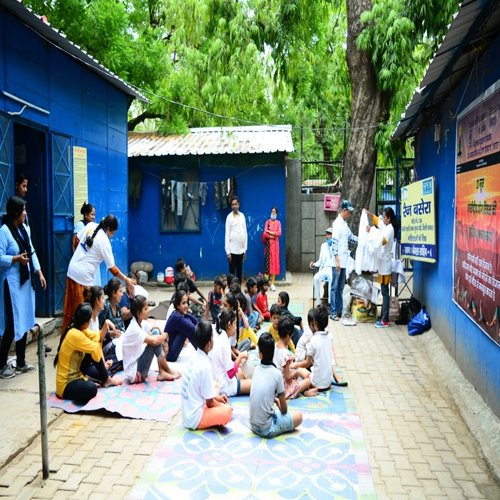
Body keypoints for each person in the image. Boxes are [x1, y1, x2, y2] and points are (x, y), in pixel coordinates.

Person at [62, 215, 134, 335]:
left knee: (70, 312)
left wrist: (83, 254)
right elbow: (113, 269)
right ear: (108, 229)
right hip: (83, 279)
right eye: (113, 233)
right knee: (84, 315)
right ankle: (83, 342)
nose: (112, 236)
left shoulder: (90, 226)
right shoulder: (104, 242)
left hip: (72, 271)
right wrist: (125, 279)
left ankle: (64, 341)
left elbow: (76, 240)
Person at [0, 197, 46, 379]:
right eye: (24, 210)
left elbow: (31, 251)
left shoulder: (24, 229)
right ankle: (1, 365)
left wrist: (39, 272)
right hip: (12, 284)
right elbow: (0, 257)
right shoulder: (4, 231)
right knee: (13, 324)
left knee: (25, 320)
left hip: (25, 282)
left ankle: (20, 362)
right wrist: (16, 259)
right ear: (16, 213)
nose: (26, 213)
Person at [54, 303, 121, 404]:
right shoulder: (75, 334)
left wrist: (105, 324)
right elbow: (95, 348)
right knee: (92, 388)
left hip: (77, 376)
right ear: (84, 322)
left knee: (92, 349)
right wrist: (102, 360)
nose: (90, 322)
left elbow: (97, 336)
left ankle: (105, 379)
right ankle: (106, 379)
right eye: (89, 320)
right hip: (65, 385)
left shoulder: (80, 329)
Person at [15, 173, 51, 356]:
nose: (26, 189)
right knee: (19, 315)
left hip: (28, 268)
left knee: (28, 311)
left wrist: (39, 271)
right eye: (23, 186)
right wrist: (17, 259)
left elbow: (30, 245)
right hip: (17, 275)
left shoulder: (24, 217)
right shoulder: (8, 229)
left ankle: (35, 344)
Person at [249, 332, 302, 438]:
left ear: (260, 354)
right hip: (266, 428)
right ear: (273, 353)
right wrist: (279, 404)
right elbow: (284, 410)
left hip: (253, 424)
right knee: (299, 416)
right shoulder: (277, 374)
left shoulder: (257, 369)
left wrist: (274, 400)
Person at [182, 321, 232, 430]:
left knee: (215, 384)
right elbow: (209, 403)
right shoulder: (205, 366)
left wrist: (217, 398)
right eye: (212, 337)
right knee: (227, 411)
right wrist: (222, 405)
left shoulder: (195, 356)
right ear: (209, 343)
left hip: (188, 412)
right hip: (195, 418)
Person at [122, 295, 180, 383]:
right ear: (139, 313)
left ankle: (162, 371)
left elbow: (156, 327)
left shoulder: (139, 322)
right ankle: (167, 370)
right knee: (154, 341)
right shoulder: (134, 328)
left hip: (139, 365)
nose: (148, 311)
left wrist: (164, 338)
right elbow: (154, 341)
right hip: (136, 374)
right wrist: (165, 336)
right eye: (145, 309)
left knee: (156, 333)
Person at [363, 207, 397, 328]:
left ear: (389, 218)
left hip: (386, 264)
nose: (382, 219)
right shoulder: (385, 226)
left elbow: (381, 241)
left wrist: (371, 231)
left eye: (384, 217)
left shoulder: (390, 229)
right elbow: (377, 220)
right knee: (384, 291)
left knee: (385, 292)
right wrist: (368, 213)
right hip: (382, 263)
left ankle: (385, 320)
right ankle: (384, 316)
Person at [210, 309, 252, 397]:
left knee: (245, 372)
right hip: (224, 386)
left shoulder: (218, 334)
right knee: (254, 384)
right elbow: (230, 374)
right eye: (234, 324)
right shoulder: (224, 342)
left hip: (217, 379)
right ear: (229, 325)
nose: (236, 327)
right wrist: (240, 357)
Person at [274, 316, 317, 399]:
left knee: (294, 375)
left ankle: (303, 391)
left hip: (274, 385)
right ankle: (304, 392)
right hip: (283, 389)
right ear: (288, 336)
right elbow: (287, 378)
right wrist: (295, 374)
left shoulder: (273, 346)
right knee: (307, 381)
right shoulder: (286, 354)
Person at [330, 200, 358, 321]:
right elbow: (335, 243)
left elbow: (351, 238)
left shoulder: (345, 225)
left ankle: (339, 311)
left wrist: (363, 239)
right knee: (334, 287)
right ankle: (332, 312)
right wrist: (337, 260)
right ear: (344, 210)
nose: (349, 214)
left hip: (344, 262)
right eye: (348, 212)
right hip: (337, 262)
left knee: (340, 287)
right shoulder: (337, 224)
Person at [164, 289, 199, 362]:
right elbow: (194, 330)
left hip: (171, 350)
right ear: (177, 305)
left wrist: (187, 314)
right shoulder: (177, 317)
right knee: (187, 328)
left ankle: (200, 350)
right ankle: (201, 350)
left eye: (186, 303)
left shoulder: (179, 313)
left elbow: (196, 321)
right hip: (169, 355)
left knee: (188, 321)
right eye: (183, 303)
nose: (186, 305)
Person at [310, 227, 334, 308]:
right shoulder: (323, 246)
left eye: (329, 234)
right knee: (316, 278)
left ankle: (330, 303)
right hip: (324, 269)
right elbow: (320, 261)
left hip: (332, 269)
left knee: (331, 278)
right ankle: (318, 304)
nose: (327, 236)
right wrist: (314, 264)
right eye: (327, 234)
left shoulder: (336, 246)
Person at [225, 196, 247, 282]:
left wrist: (244, 249)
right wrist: (228, 252)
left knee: (239, 273)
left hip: (240, 250)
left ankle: (238, 289)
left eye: (235, 204)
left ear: (238, 205)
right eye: (232, 204)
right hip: (232, 250)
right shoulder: (229, 217)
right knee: (231, 274)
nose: (234, 206)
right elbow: (227, 234)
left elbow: (245, 233)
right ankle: (231, 289)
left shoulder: (242, 216)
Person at [262, 206, 282, 291]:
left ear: (276, 214)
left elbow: (279, 233)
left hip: (275, 247)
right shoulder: (267, 222)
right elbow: (265, 233)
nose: (273, 213)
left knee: (274, 264)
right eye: (272, 212)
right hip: (268, 246)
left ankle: (272, 283)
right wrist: (272, 235)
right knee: (268, 264)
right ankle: (265, 283)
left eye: (274, 212)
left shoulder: (278, 223)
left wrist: (270, 232)